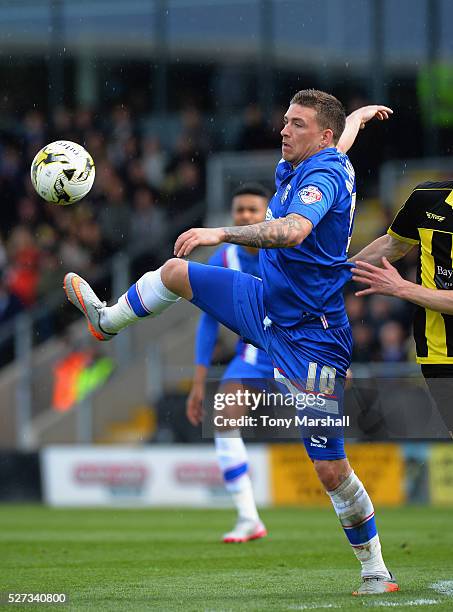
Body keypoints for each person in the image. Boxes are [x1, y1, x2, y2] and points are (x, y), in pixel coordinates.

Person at [63, 90, 397, 596]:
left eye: (296, 124)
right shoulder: (322, 155)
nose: (283, 130)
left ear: (321, 138)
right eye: (285, 120)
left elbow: (292, 230)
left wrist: (221, 231)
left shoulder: (324, 174)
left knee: (330, 469)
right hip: (267, 304)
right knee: (175, 272)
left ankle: (375, 570)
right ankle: (108, 321)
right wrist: (357, 118)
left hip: (314, 337)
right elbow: (342, 139)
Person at [186, 182, 274, 543]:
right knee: (224, 420)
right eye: (240, 210)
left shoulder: (287, 249)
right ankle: (248, 517)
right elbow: (208, 320)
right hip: (252, 357)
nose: (246, 216)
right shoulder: (223, 258)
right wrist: (197, 380)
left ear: (269, 215)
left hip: (298, 352)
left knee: (324, 443)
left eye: (253, 210)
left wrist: (336, 357)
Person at [351, 180, 453, 439]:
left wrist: (401, 288)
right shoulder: (427, 198)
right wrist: (336, 272)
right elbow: (392, 245)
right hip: (439, 352)